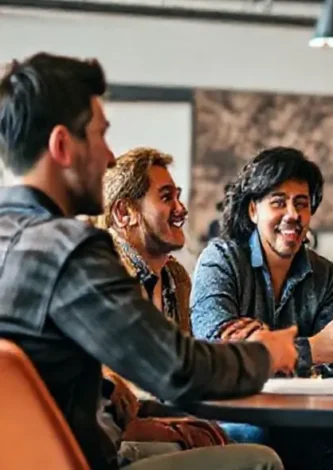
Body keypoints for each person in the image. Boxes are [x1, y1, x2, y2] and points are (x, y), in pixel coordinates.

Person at [0, 52, 297, 470]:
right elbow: (177, 369)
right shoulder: (69, 250)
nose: (108, 157)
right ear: (62, 145)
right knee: (260, 460)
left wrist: (105, 389)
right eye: (100, 135)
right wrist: (267, 353)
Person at [189, 146, 333, 469]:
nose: (292, 214)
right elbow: (218, 350)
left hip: (300, 412)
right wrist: (314, 349)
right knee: (256, 433)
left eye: (301, 203)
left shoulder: (324, 274)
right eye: (278, 202)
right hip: (232, 412)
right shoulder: (221, 260)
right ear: (253, 210)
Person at [92, 147, 239, 462]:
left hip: (158, 418)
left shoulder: (176, 277)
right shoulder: (102, 273)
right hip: (111, 440)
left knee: (241, 435)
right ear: (124, 213)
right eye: (166, 197)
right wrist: (175, 430)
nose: (180, 209)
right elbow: (102, 396)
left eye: (178, 196)